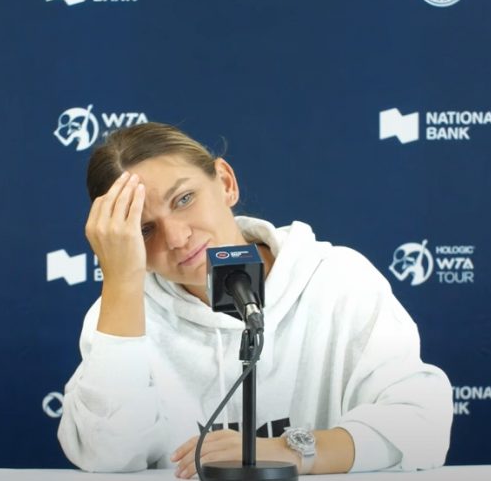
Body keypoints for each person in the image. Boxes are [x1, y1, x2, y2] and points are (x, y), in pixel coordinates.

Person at [57, 122, 452, 478]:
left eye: (184, 199)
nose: (177, 238)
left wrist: (289, 451)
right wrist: (122, 283)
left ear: (226, 182)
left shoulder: (338, 279)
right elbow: (105, 455)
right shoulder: (119, 312)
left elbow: (423, 422)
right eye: (144, 230)